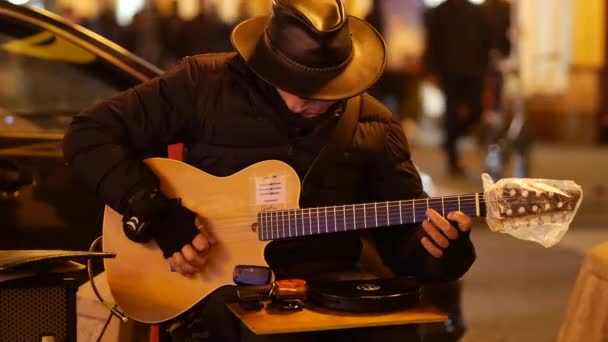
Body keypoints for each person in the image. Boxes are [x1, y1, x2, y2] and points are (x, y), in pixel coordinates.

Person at [63, 1, 476, 341]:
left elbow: (401, 241)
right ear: (268, 62)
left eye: (325, 89)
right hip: (219, 290)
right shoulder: (203, 85)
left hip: (324, 295)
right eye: (294, 84)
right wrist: (156, 214)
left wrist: (440, 250)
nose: (307, 102)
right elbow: (89, 134)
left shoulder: (374, 124)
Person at [424, 0, 491, 176]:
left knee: (477, 110)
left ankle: (449, 139)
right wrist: (433, 70)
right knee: (451, 114)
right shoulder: (438, 12)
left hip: (474, 70)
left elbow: (485, 41)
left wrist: (486, 68)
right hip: (449, 71)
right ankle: (452, 160)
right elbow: (431, 43)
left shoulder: (477, 12)